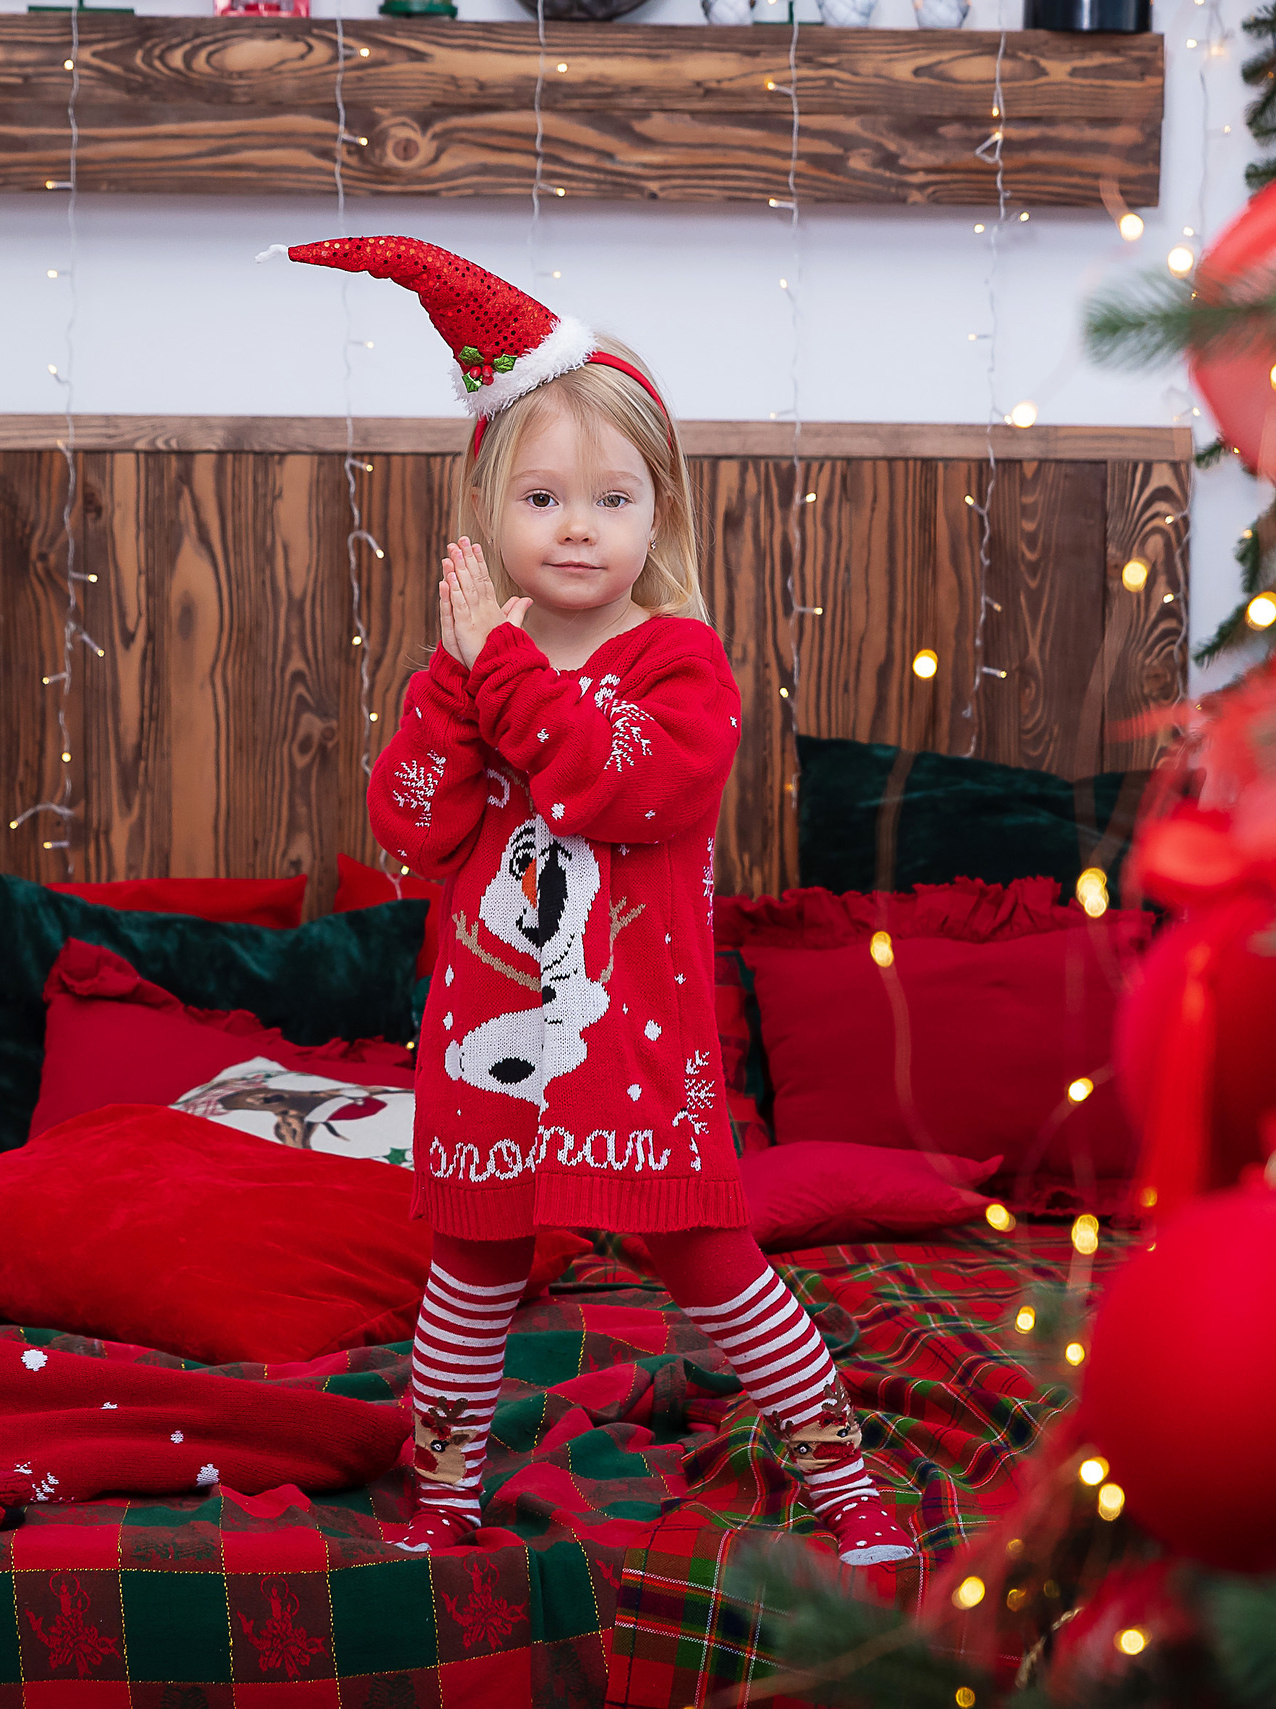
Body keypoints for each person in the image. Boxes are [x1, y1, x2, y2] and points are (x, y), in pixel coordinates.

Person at [267, 235, 919, 1565]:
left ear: (657, 519)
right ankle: (442, 1504)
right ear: (488, 512)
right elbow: (414, 826)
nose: (579, 525)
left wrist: (496, 669)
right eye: (548, 497)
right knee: (468, 1287)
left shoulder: (678, 664)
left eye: (615, 499)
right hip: (486, 1057)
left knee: (720, 1276)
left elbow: (607, 788)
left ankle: (842, 1477)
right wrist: (456, 687)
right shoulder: (467, 667)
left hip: (638, 1059)